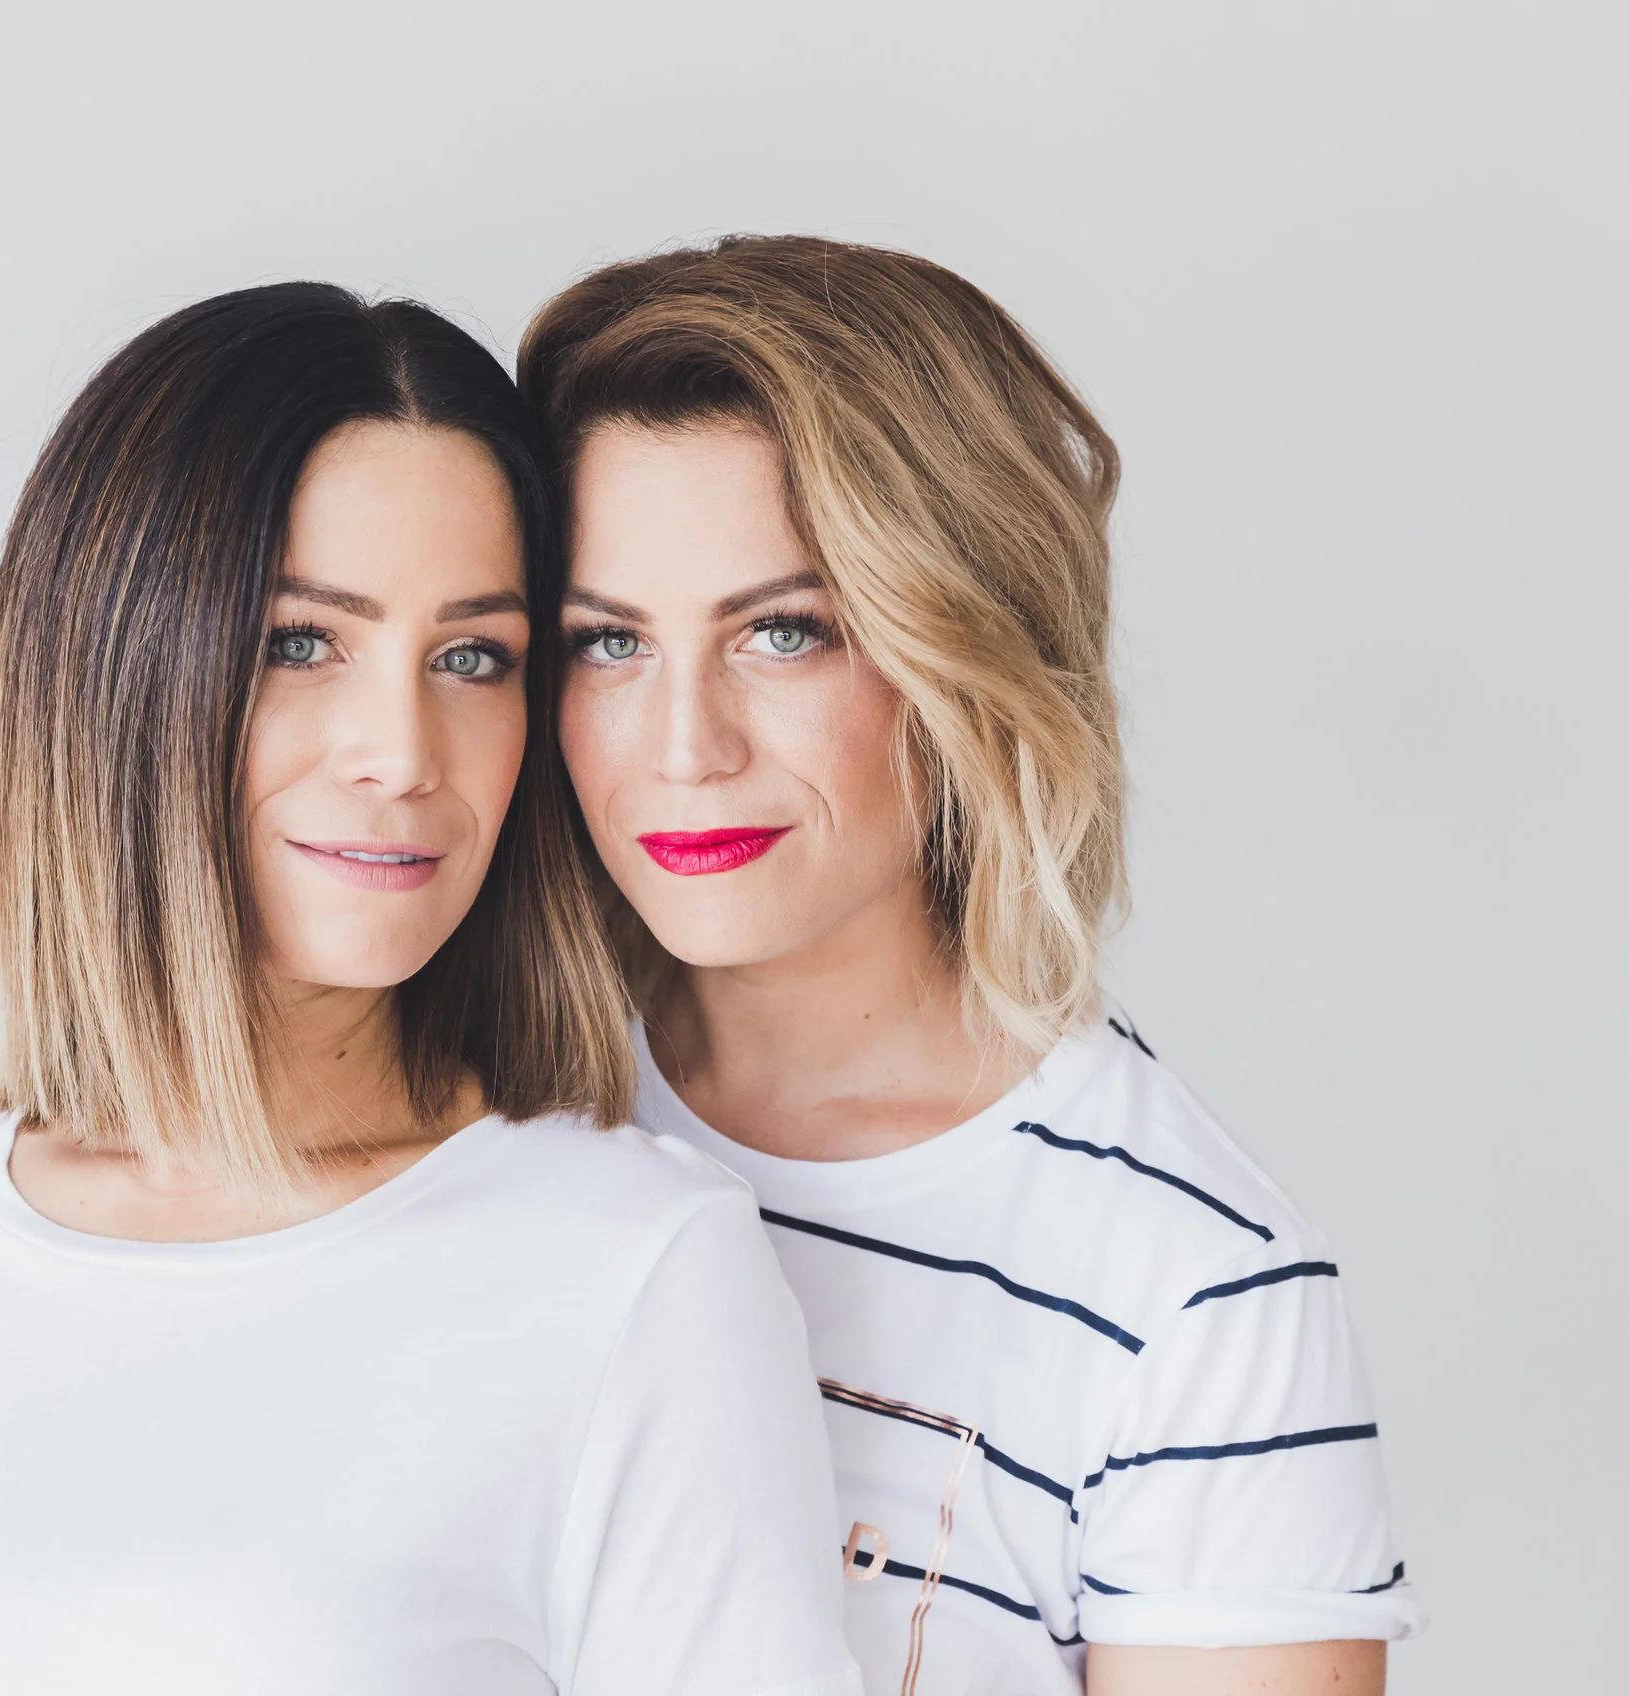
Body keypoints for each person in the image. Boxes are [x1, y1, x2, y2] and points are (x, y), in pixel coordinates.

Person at [0, 282, 863, 1696]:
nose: (403, 753)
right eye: (300, 644)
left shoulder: (631, 1267)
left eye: (473, 658)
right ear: (115, 668)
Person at [520, 237, 1424, 1696]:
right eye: (608, 642)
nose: (685, 746)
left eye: (784, 633)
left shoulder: (1195, 1297)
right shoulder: (469, 1104)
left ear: (964, 647)